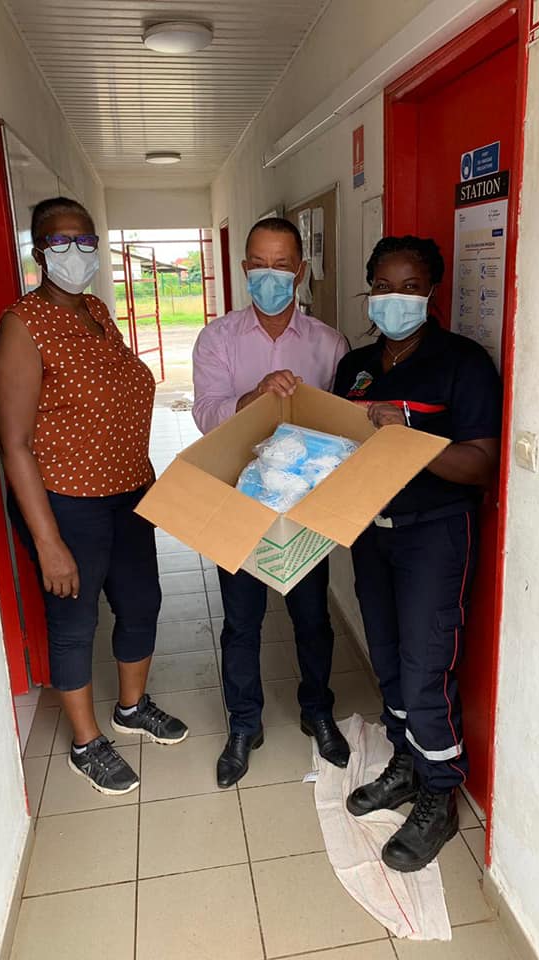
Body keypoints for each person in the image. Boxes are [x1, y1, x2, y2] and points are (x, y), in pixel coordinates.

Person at [0, 197, 187, 796]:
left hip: (128, 493)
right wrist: (48, 541)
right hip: (67, 502)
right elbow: (14, 444)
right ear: (39, 251)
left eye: (84, 240)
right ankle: (85, 743)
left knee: (142, 603)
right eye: (60, 241)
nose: (74, 252)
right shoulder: (23, 325)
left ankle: (131, 708)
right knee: (75, 623)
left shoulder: (97, 311)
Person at [333, 235, 502, 871]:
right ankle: (407, 761)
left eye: (409, 287)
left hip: (434, 531)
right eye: (383, 286)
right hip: (370, 529)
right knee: (388, 655)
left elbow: (480, 464)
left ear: (431, 292)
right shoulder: (355, 366)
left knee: (427, 663)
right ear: (369, 289)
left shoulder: (462, 362)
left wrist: (410, 436)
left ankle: (440, 793)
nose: (395, 298)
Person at [193, 217, 350, 787]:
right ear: (244, 269)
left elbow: (343, 429)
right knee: (242, 621)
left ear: (300, 271)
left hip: (305, 505)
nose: (270, 275)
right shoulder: (217, 339)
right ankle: (244, 725)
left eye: (281, 265)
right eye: (258, 264)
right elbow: (205, 414)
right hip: (236, 498)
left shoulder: (329, 344)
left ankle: (317, 711)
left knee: (312, 617)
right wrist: (253, 398)